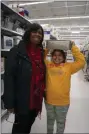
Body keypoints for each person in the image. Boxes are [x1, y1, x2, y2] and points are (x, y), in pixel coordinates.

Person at [3, 23, 46, 134]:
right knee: (20, 128)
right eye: (34, 31)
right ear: (28, 33)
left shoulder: (41, 53)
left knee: (28, 125)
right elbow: (9, 77)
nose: (37, 35)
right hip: (23, 99)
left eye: (40, 33)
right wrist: (9, 102)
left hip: (36, 98)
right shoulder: (17, 51)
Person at [44, 41, 86, 133]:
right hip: (49, 101)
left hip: (63, 103)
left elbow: (82, 62)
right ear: (52, 56)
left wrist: (73, 47)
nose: (57, 57)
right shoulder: (48, 65)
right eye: (54, 55)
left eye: (60, 55)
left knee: (60, 123)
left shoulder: (69, 67)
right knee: (49, 122)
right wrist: (48, 47)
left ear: (64, 57)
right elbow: (40, 57)